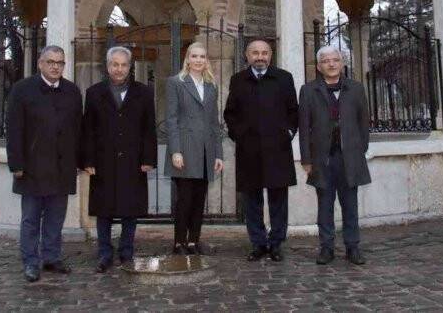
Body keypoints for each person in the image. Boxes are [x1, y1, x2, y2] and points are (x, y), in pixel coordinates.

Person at [6, 45, 82, 283]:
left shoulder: (72, 91)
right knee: (30, 218)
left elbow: (78, 130)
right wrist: (16, 163)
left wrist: (79, 160)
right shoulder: (22, 90)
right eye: (51, 62)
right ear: (40, 63)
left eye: (60, 63)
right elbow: (14, 130)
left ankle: (51, 257)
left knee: (55, 217)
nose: (55, 66)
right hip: (32, 166)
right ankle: (30, 261)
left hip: (62, 167)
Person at [80, 46, 158, 272]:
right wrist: (88, 160)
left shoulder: (143, 92)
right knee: (104, 210)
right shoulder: (94, 93)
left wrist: (148, 158)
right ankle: (104, 254)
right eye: (115, 64)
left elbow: (148, 129)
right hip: (103, 161)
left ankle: (126, 252)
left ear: (130, 66)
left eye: (124, 65)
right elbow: (88, 130)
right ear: (107, 66)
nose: (119, 69)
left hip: (133, 161)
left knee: (129, 210)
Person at [224, 39, 298, 262]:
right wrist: (239, 135)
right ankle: (257, 243)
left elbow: (293, 111)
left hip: (278, 149)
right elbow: (230, 113)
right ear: (247, 55)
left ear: (270, 55)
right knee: (252, 201)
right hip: (249, 151)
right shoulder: (238, 80)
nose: (260, 56)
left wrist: (288, 132)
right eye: (255, 53)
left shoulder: (284, 78)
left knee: (278, 200)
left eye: (264, 53)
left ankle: (276, 244)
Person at [298, 45, 370, 266]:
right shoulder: (309, 90)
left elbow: (363, 123)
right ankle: (326, 248)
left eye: (335, 60)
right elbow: (304, 126)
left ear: (342, 63)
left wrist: (359, 150)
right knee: (325, 206)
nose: (331, 64)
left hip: (349, 158)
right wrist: (307, 159)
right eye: (326, 61)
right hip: (322, 159)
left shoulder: (356, 89)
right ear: (319, 66)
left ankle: (352, 247)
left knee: (351, 205)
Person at [165, 42, 224, 255]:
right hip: (185, 149)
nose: (198, 60)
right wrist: (175, 151)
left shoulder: (211, 85)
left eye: (202, 56)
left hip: (207, 150)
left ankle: (194, 241)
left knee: (200, 200)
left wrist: (218, 154)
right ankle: (179, 242)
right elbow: (171, 119)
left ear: (206, 60)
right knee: (185, 200)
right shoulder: (176, 83)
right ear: (187, 59)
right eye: (194, 56)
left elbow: (214, 123)